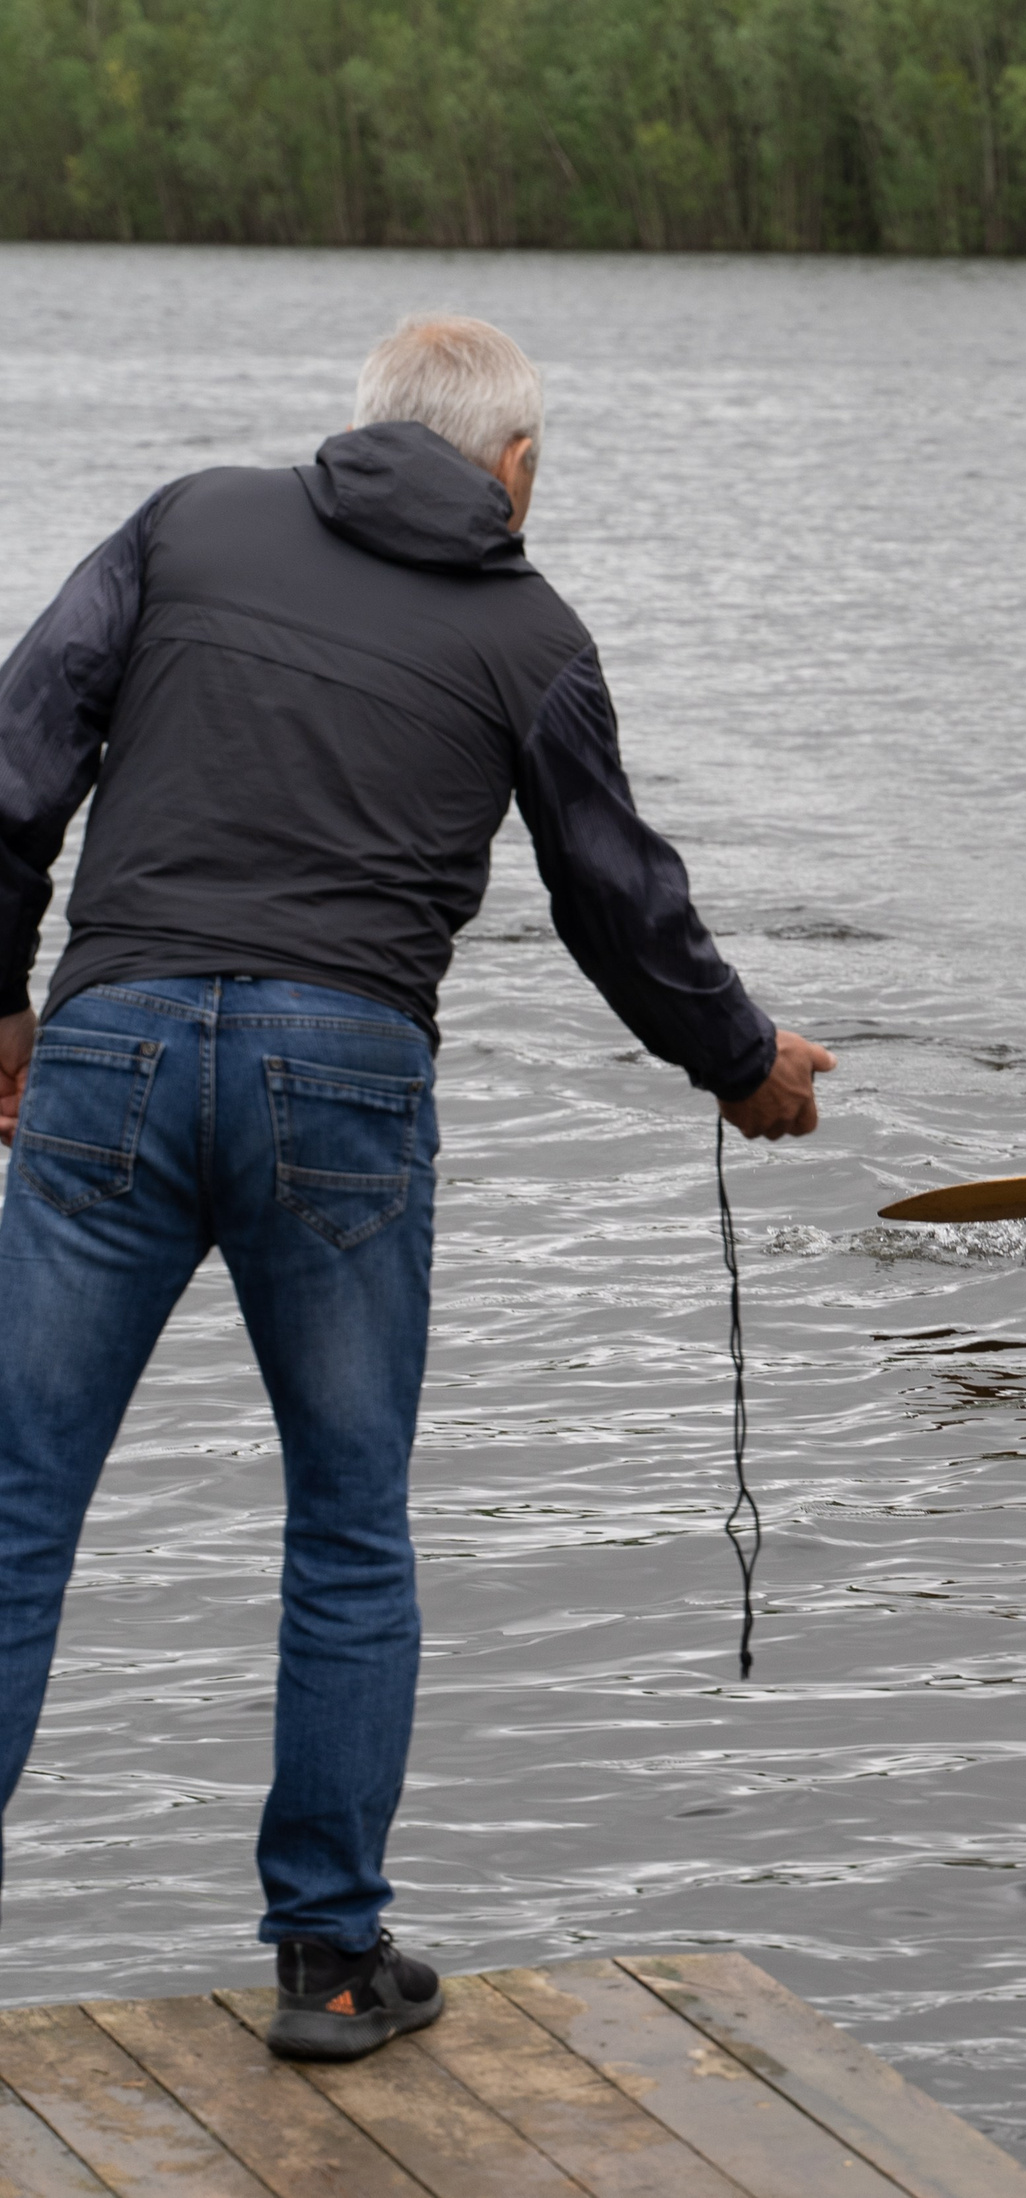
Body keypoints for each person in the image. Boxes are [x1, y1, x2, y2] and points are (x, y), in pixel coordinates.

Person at [0, 315, 834, 2061]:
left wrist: (1, 994)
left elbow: (15, 771)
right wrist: (741, 1060)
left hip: (117, 1045)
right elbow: (623, 901)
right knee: (350, 1524)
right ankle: (327, 1962)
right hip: (342, 1080)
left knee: (15, 1506)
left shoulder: (187, 521)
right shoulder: (530, 631)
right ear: (513, 465)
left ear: (363, 427)